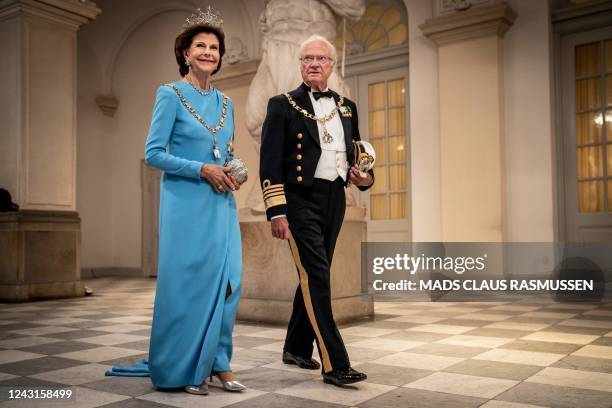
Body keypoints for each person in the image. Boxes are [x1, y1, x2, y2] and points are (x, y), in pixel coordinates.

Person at [106, 7, 246, 395]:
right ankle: (185, 368)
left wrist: (234, 169)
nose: (208, 52)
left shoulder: (227, 104)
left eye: (214, 47)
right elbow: (153, 153)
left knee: (230, 284)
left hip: (221, 205)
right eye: (200, 45)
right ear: (185, 52)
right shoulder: (169, 95)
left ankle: (220, 363)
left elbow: (225, 151)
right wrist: (202, 169)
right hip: (185, 205)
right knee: (189, 286)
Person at [259, 35, 374, 386]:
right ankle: (335, 363)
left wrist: (364, 177)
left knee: (311, 274)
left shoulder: (347, 106)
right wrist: (277, 210)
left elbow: (359, 154)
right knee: (319, 276)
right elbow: (270, 161)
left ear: (332, 65)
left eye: (321, 58)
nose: (314, 63)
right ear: (300, 64)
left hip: (335, 199)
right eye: (307, 58)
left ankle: (295, 347)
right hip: (298, 200)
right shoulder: (282, 104)